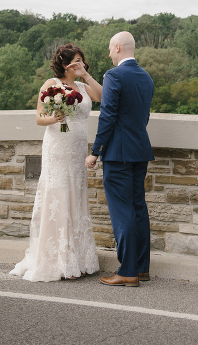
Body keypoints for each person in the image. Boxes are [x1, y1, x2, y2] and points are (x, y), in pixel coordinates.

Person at [10, 43, 103, 282]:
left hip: (77, 150)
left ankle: (79, 259)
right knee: (58, 197)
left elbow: (102, 96)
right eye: (75, 62)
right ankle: (60, 259)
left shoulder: (83, 86)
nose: (79, 64)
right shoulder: (51, 85)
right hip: (57, 149)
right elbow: (39, 119)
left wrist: (85, 75)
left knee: (76, 197)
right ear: (64, 64)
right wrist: (55, 116)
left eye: (82, 60)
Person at [86, 31, 154, 287]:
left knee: (122, 211)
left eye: (109, 48)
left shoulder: (114, 75)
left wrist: (96, 151)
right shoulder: (146, 77)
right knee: (138, 208)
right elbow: (143, 117)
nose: (109, 53)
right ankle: (141, 267)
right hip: (140, 150)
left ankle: (127, 270)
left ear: (116, 47)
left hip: (118, 154)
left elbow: (108, 116)